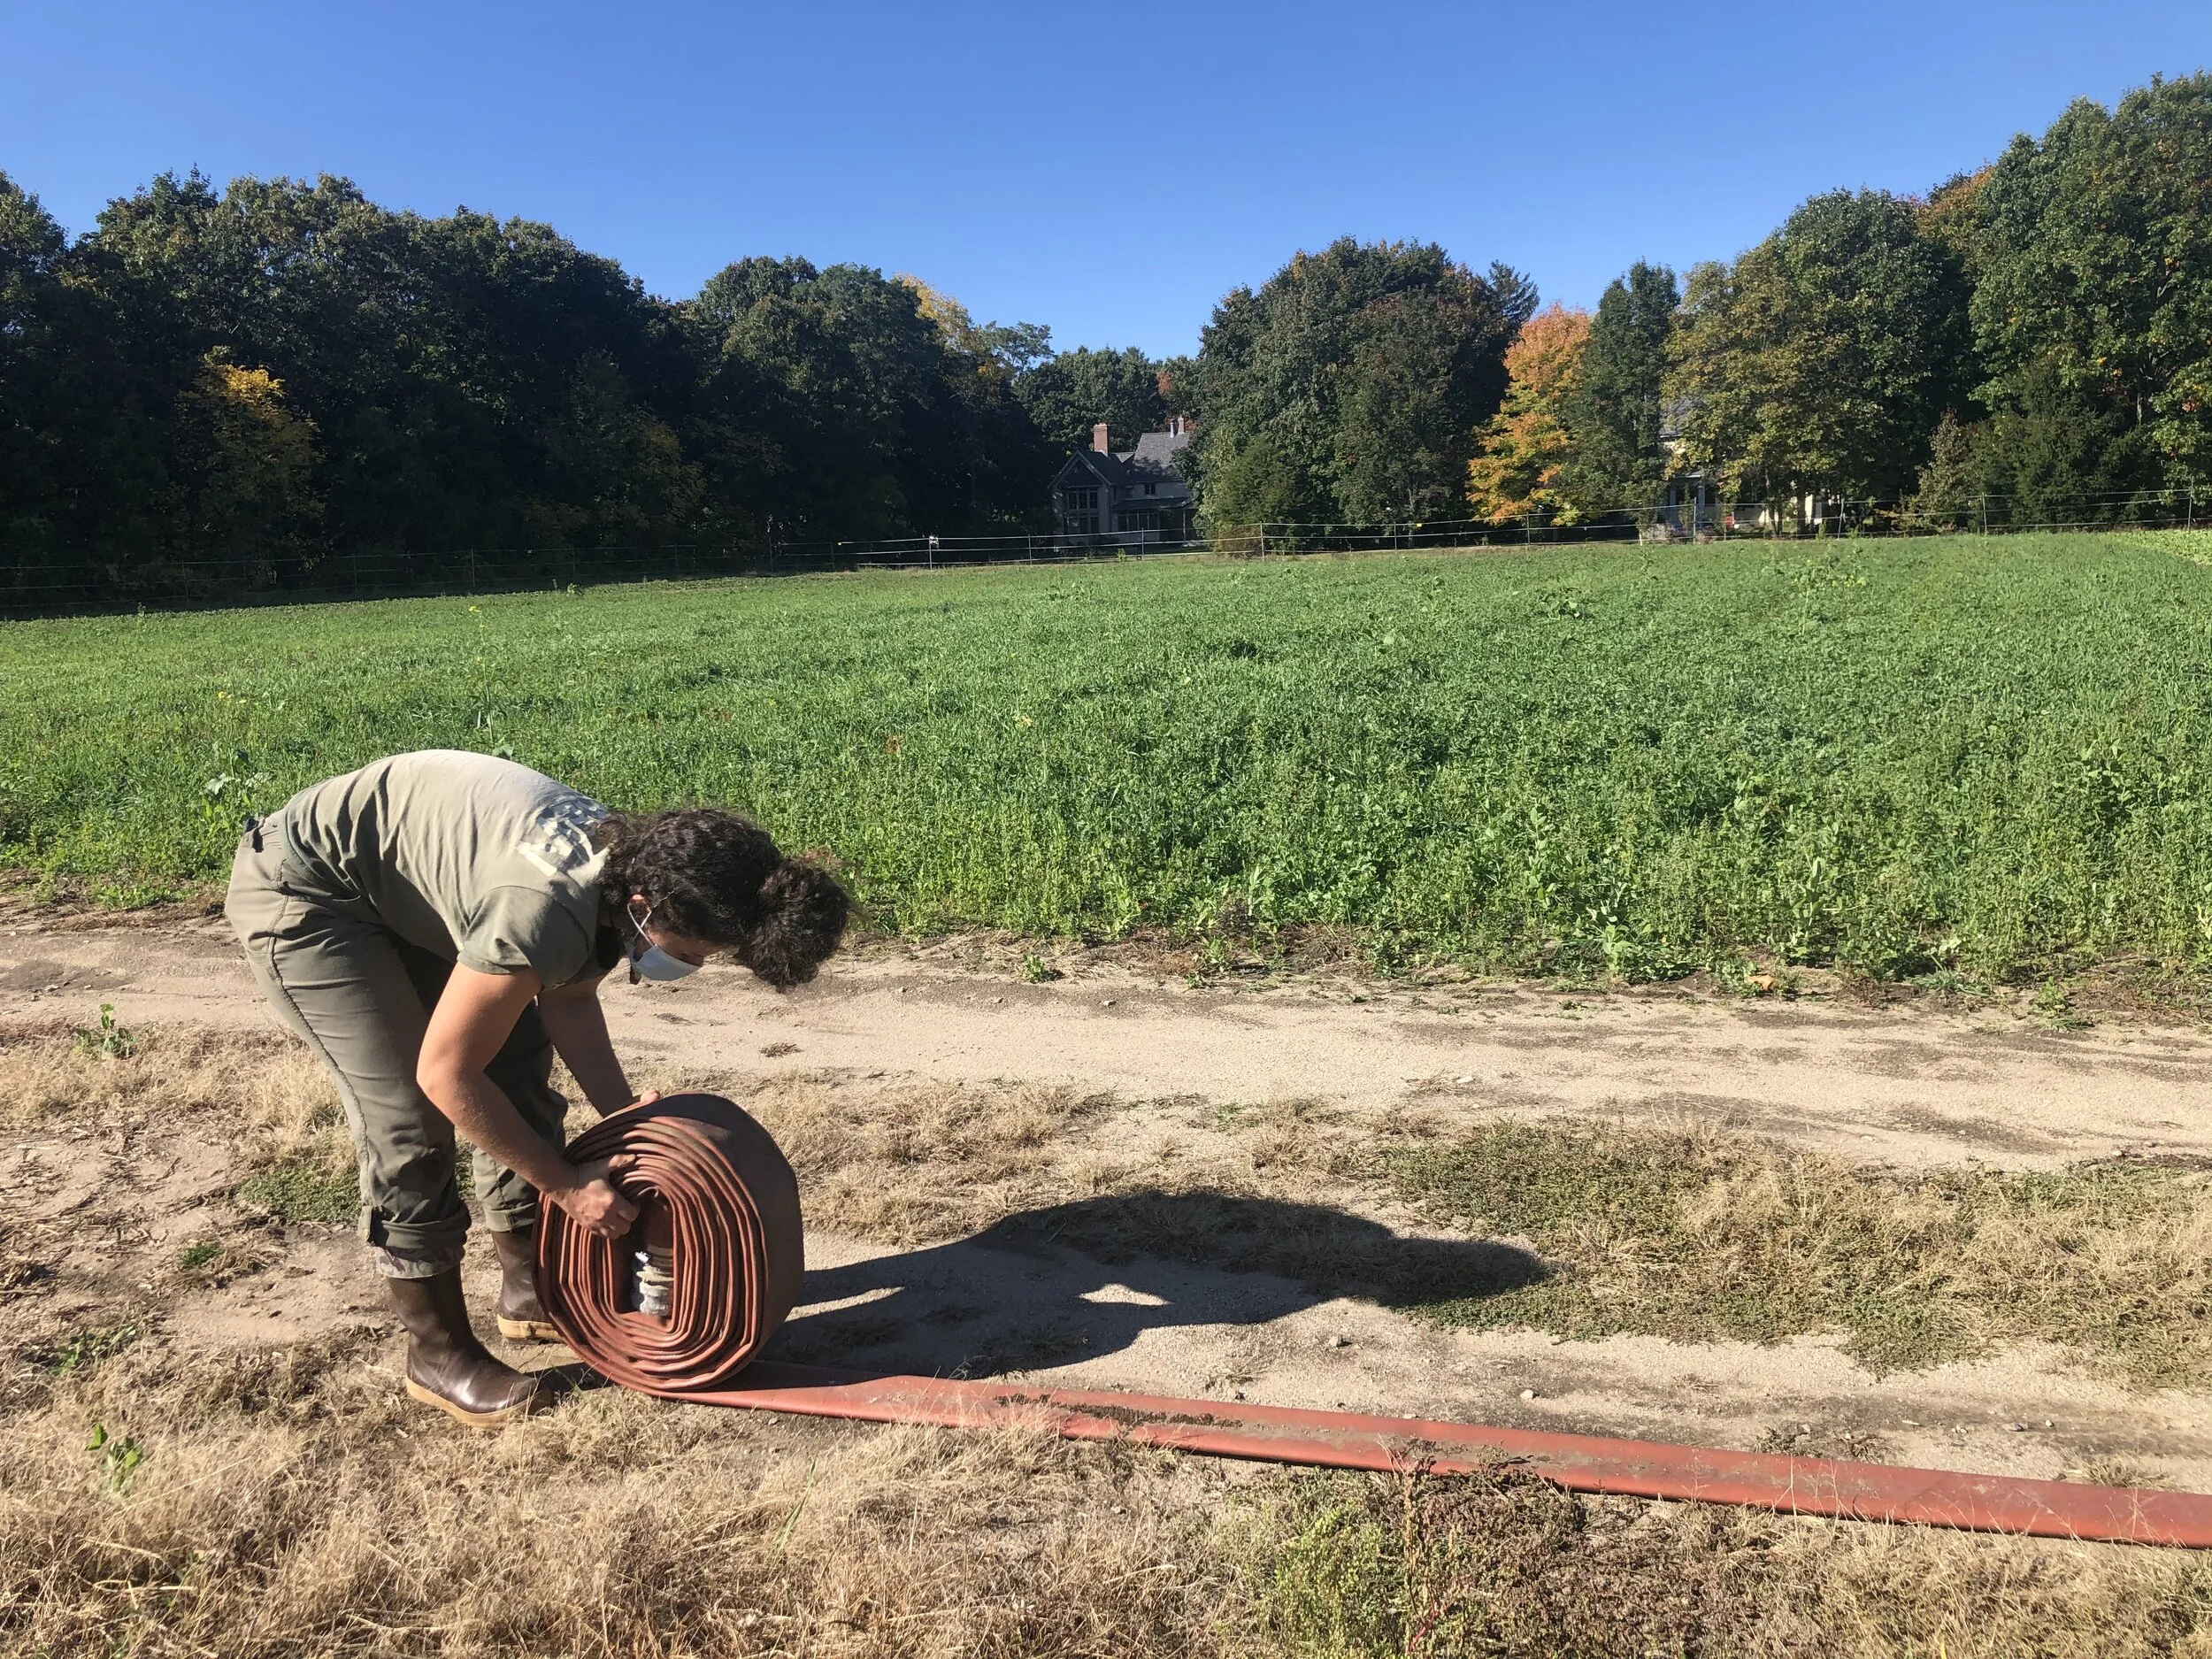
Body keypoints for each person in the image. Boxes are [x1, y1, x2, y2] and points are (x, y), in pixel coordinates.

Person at [224, 749, 849, 1426]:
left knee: (517, 1055)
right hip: (309, 893)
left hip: (400, 883)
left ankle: (530, 1291)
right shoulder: (546, 906)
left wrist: (627, 1117)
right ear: (643, 906)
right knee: (410, 1109)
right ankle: (436, 1352)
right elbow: (445, 1073)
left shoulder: (623, 876)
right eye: (691, 950)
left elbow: (569, 1001)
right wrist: (564, 1184)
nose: (691, 965)